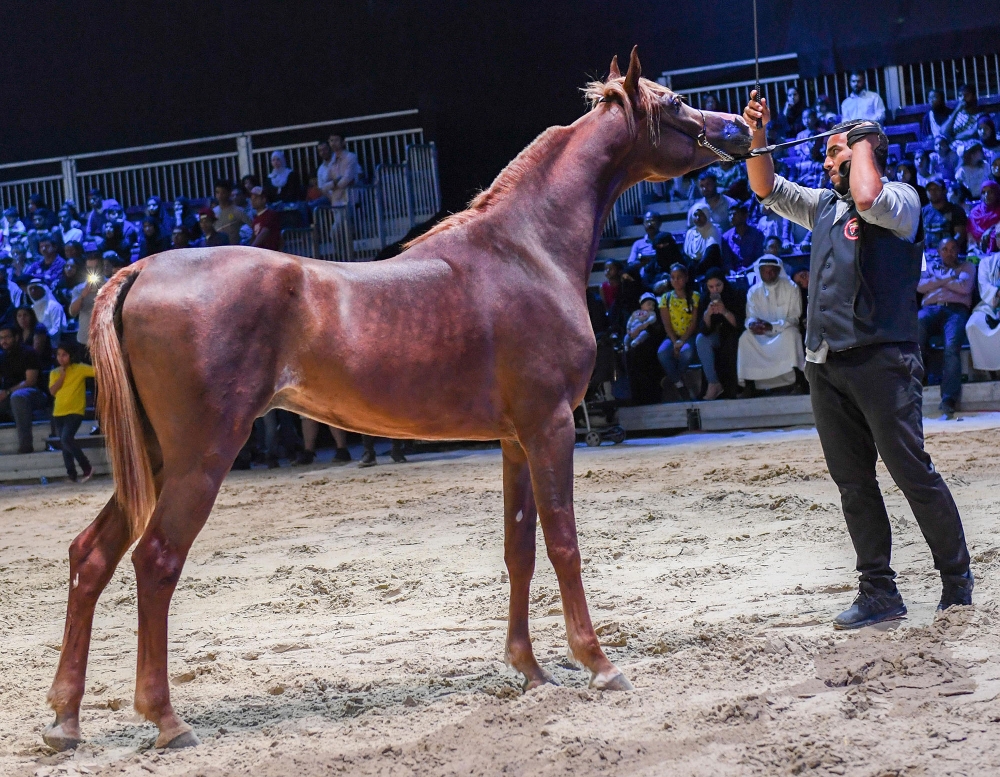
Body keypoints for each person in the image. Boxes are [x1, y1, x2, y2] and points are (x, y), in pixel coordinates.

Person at [744, 91, 973, 626]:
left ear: (864, 151)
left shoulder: (902, 199)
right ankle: (879, 592)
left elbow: (868, 198)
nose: (825, 163)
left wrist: (861, 145)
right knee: (854, 483)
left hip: (883, 363)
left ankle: (956, 582)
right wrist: (759, 136)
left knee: (912, 473)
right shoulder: (823, 205)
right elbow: (766, 187)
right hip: (827, 364)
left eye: (834, 153)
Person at [916, 237, 974, 418]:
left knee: (951, 349)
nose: (949, 253)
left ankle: (948, 400)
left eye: (952, 248)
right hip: (930, 309)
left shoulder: (967, 267)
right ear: (939, 252)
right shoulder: (930, 266)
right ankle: (914, 389)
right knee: (913, 338)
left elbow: (964, 288)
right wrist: (949, 277)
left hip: (955, 311)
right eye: (945, 249)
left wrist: (937, 280)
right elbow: (919, 286)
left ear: (958, 250)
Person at [736, 255, 803, 393]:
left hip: (783, 331)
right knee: (745, 338)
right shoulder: (753, 291)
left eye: (772, 271)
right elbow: (750, 317)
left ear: (779, 271)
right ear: (759, 272)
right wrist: (753, 325)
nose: (768, 274)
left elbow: (794, 318)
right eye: (765, 271)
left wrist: (772, 326)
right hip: (761, 333)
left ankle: (797, 382)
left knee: (792, 335)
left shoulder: (791, 288)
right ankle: (751, 386)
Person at [695, 267, 744, 400]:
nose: (715, 290)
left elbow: (739, 324)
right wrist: (708, 314)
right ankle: (713, 383)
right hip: (715, 333)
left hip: (733, 334)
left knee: (731, 344)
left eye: (718, 285)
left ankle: (736, 387)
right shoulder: (705, 298)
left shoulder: (735, 294)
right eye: (711, 287)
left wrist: (725, 312)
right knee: (701, 340)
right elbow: (704, 329)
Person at [48, 343, 95, 482]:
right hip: (59, 412)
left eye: (64, 355)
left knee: (66, 439)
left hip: (75, 411)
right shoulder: (55, 372)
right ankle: (71, 474)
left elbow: (97, 371)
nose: (61, 358)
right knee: (65, 444)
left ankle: (86, 467)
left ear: (71, 355)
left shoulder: (79, 368)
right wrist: (62, 376)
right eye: (58, 355)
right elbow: (52, 391)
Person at [0, 323, 46, 453]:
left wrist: (7, 392)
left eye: (7, 337)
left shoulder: (28, 353)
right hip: (9, 395)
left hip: (34, 394)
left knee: (18, 397)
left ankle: (26, 445)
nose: (4, 341)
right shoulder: (1, 356)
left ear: (16, 337)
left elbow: (30, 381)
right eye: (1, 338)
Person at [656, 264, 700, 400]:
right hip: (672, 336)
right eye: (673, 278)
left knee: (686, 352)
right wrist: (675, 341)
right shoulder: (666, 298)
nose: (676, 281)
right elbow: (666, 323)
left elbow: (693, 322)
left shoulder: (694, 296)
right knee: (662, 352)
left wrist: (682, 341)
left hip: (689, 336)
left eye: (679, 277)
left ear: (686, 278)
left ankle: (673, 378)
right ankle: (679, 384)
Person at [624, 292, 665, 404]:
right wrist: (631, 332)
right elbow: (629, 323)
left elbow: (657, 331)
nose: (650, 306)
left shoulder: (654, 317)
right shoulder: (635, 314)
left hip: (649, 351)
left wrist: (642, 329)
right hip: (634, 349)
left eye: (652, 304)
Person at [965, 241, 1000, 373]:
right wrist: (997, 292)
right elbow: (984, 286)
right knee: (973, 324)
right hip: (990, 304)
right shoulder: (986, 262)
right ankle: (987, 372)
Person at [69, 255, 107, 352]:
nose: (93, 271)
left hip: (105, 340)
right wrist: (83, 296)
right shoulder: (79, 289)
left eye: (96, 268)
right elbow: (72, 312)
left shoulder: (111, 285)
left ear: (102, 267)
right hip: (85, 341)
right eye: (90, 268)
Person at [921, 177, 968, 249]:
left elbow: (959, 236)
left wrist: (946, 250)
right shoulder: (923, 211)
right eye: (929, 190)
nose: (933, 192)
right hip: (928, 253)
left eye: (936, 189)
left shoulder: (956, 210)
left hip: (949, 253)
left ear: (944, 191)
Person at [319, 133, 363, 207]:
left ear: (343, 142)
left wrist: (333, 184)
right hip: (336, 202)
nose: (333, 143)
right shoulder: (332, 162)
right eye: (331, 141)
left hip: (351, 200)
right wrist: (335, 183)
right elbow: (324, 186)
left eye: (336, 140)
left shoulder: (351, 157)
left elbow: (345, 181)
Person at [721, 202, 764, 271]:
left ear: (745, 216)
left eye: (735, 214)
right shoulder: (726, 237)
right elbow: (727, 261)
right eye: (730, 215)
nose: (732, 217)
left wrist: (747, 270)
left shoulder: (757, 234)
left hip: (753, 271)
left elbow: (760, 258)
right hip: (734, 274)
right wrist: (731, 271)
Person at [682, 203, 722, 273]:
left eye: (701, 215)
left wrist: (695, 272)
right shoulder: (690, 233)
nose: (697, 218)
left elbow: (710, 254)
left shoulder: (713, 230)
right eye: (695, 215)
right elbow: (686, 255)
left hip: (709, 271)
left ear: (707, 215)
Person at [213, 180, 252, 245]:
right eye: (217, 192)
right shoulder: (213, 212)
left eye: (223, 193)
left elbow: (252, 227)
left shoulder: (238, 211)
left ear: (229, 193)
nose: (220, 196)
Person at [968, 180, 1000, 245]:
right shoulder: (975, 212)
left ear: (996, 193)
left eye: (990, 192)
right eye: (983, 192)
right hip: (976, 248)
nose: (986, 195)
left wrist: (990, 230)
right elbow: (970, 234)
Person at [250, 187, 282, 251]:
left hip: (271, 252)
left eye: (256, 198)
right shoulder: (255, 218)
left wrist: (251, 248)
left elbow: (264, 233)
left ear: (264, 199)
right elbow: (254, 236)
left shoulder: (270, 215)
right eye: (252, 198)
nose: (253, 200)